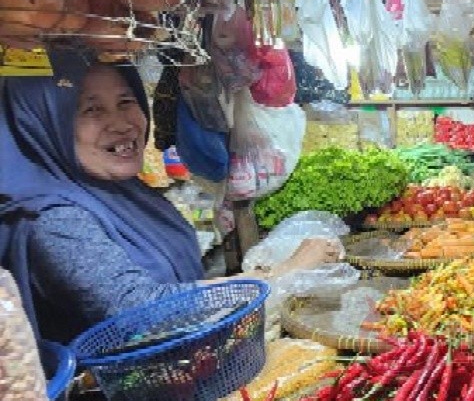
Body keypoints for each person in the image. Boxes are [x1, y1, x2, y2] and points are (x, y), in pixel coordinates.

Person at [0, 55, 339, 343]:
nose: (121, 124)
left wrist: (266, 274)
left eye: (126, 102)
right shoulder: (51, 219)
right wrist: (287, 271)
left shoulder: (126, 193)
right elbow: (140, 312)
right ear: (45, 123)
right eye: (92, 109)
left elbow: (177, 287)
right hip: (121, 398)